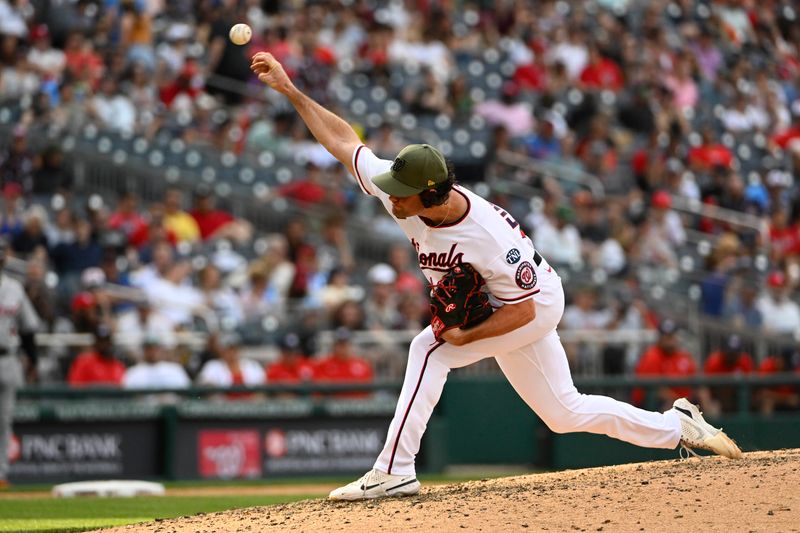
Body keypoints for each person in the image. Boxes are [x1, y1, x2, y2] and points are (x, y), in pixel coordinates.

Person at [250, 52, 742, 501]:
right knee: (564, 413)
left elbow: (526, 309)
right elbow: (346, 143)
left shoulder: (486, 235)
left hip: (532, 303)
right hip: (505, 304)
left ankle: (394, 469)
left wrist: (468, 334)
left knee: (429, 349)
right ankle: (676, 426)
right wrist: (292, 91)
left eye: (402, 192)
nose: (391, 198)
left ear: (435, 193)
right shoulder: (405, 198)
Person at [0, 238, 41, 489]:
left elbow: (28, 329)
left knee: (3, 421)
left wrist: (33, 360)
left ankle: (0, 474)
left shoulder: (14, 288)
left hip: (7, 358)